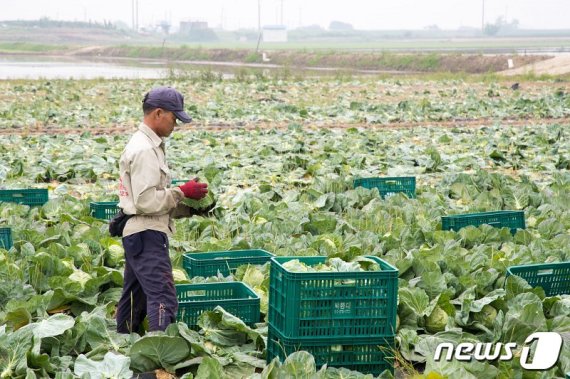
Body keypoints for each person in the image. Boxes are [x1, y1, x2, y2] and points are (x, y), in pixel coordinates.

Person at [116, 86, 208, 334]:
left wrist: (190, 209)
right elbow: (146, 202)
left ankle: (123, 345)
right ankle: (158, 356)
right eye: (174, 117)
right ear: (158, 113)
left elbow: (150, 200)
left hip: (139, 232)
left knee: (135, 297)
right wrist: (182, 192)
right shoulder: (145, 149)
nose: (176, 123)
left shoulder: (145, 143)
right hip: (146, 235)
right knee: (162, 296)